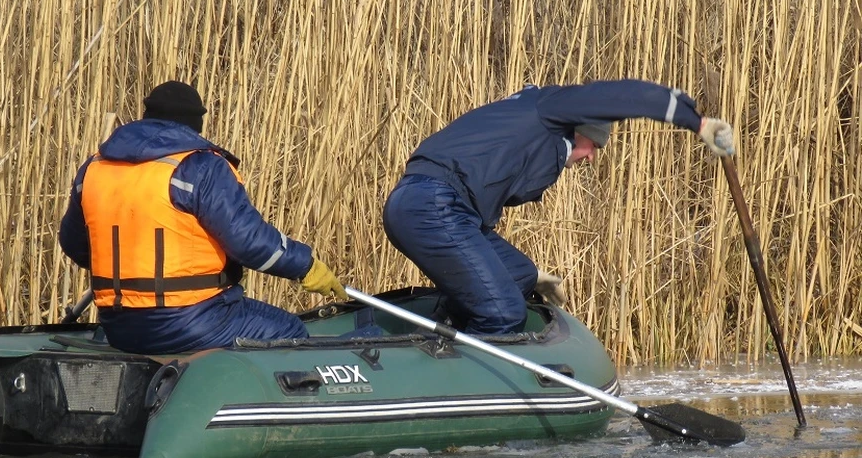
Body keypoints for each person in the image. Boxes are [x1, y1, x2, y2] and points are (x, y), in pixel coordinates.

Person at [383, 78, 735, 335]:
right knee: (503, 313)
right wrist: (697, 122)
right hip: (432, 205)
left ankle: (442, 329)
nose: (593, 156)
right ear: (578, 129)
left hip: (433, 204)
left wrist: (529, 276)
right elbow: (621, 97)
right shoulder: (550, 109)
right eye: (594, 145)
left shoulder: (533, 132)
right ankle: (455, 385)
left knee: (519, 275)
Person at [59, 80, 348, 353]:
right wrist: (305, 266)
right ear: (195, 122)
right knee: (289, 330)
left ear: (146, 115)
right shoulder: (199, 167)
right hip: (192, 321)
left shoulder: (94, 169)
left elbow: (75, 245)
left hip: (119, 327)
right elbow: (249, 241)